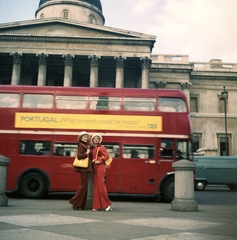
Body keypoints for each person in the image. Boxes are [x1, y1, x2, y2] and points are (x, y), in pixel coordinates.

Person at [69, 131, 92, 210]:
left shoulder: (85, 145)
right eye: (84, 137)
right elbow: (79, 156)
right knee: (83, 186)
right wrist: (87, 153)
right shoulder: (81, 145)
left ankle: (81, 204)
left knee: (84, 186)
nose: (86, 138)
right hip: (84, 168)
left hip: (85, 168)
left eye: (87, 136)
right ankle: (75, 202)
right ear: (81, 138)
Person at [90, 134, 112, 211]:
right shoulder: (94, 148)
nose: (96, 140)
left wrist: (99, 160)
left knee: (100, 185)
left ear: (99, 140)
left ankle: (107, 204)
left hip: (100, 167)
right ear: (92, 140)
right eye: (94, 138)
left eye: (97, 138)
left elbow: (107, 156)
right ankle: (97, 206)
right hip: (95, 168)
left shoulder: (101, 147)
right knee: (96, 186)